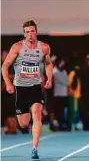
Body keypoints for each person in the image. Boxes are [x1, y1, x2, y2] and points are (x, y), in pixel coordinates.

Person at [2, 20, 53, 159]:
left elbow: (48, 64)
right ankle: (28, 124)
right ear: (24, 34)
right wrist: (8, 83)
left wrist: (49, 78)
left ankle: (34, 148)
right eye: (27, 32)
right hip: (21, 88)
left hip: (36, 87)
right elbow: (5, 66)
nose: (30, 34)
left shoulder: (44, 48)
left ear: (36, 32)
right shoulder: (17, 47)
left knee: (37, 113)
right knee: (24, 124)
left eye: (32, 31)